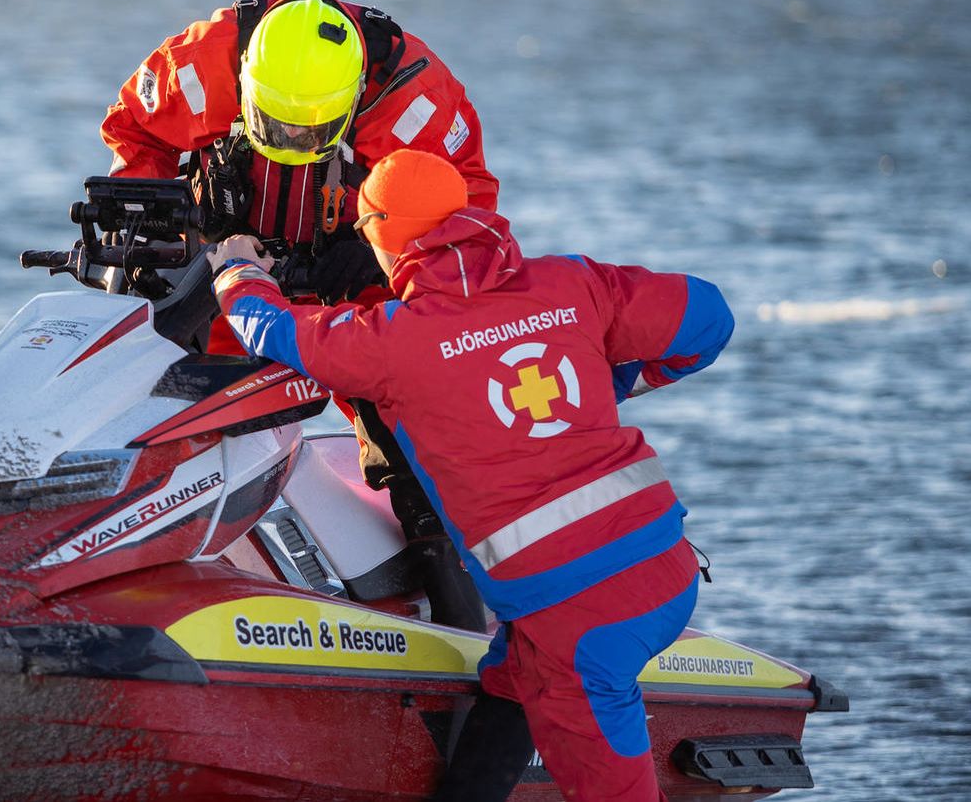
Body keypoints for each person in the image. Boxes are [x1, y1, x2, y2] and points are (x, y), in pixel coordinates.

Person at [206, 148, 734, 802]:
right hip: (663, 566)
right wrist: (615, 381)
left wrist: (235, 269)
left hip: (581, 625)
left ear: (384, 239)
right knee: (512, 680)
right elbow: (711, 320)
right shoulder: (569, 284)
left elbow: (269, 329)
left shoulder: (395, 342)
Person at [101, 0, 500, 623]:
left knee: (424, 425)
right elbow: (135, 134)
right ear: (246, 82)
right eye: (274, 123)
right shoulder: (198, 66)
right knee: (147, 394)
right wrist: (161, 232)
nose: (287, 138)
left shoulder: (413, 101)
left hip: (357, 277)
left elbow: (468, 214)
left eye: (306, 129)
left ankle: (459, 604)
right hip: (223, 262)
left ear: (350, 105)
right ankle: (113, 552)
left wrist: (382, 253)